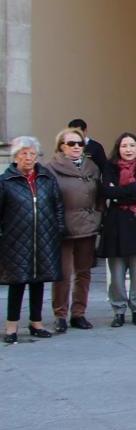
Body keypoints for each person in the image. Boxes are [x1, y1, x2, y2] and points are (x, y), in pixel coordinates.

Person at [1, 137, 63, 343]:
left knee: (39, 281)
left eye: (32, 154)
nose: (28, 158)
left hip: (44, 237)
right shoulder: (6, 181)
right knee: (17, 282)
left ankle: (36, 322)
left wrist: (58, 230)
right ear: (15, 157)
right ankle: (11, 326)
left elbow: (57, 206)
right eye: (23, 153)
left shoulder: (46, 178)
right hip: (15, 240)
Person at [98, 132, 136, 328]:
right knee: (117, 273)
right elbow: (107, 191)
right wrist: (134, 189)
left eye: (132, 146)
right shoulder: (110, 168)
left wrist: (120, 194)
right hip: (115, 226)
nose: (128, 150)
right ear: (118, 149)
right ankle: (119, 310)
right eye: (124, 146)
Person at [48, 127, 101, 332]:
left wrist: (97, 216)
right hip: (63, 228)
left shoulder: (91, 167)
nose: (76, 147)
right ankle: (60, 314)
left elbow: (99, 196)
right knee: (62, 272)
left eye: (80, 143)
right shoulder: (51, 168)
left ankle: (79, 313)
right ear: (62, 146)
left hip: (87, 226)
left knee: (84, 272)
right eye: (71, 143)